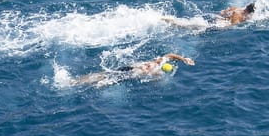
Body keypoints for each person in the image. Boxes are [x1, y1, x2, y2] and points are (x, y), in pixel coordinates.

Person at [66, 53, 194, 86]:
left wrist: (183, 59)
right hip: (131, 73)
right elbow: (153, 82)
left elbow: (170, 55)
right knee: (105, 79)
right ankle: (75, 82)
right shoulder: (158, 71)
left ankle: (75, 81)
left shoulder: (158, 62)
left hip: (130, 68)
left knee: (104, 75)